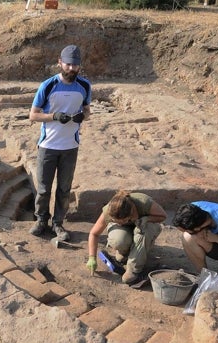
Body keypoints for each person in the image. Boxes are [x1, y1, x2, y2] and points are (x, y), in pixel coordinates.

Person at [29, 44, 92, 241]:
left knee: (64, 189)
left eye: (76, 65)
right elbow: (33, 115)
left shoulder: (84, 86)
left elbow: (88, 111)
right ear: (60, 63)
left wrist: (83, 116)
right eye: (68, 64)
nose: (72, 69)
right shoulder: (48, 85)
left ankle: (58, 223)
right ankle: (41, 221)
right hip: (48, 145)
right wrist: (54, 116)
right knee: (44, 188)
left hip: (70, 147)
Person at [86, 191, 167, 285]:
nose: (119, 224)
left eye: (122, 221)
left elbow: (163, 216)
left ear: (130, 214)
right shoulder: (109, 210)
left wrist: (147, 219)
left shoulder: (144, 202)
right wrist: (92, 257)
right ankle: (127, 253)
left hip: (145, 225)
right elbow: (94, 234)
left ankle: (134, 270)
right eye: (116, 221)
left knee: (142, 231)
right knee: (119, 241)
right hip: (128, 227)